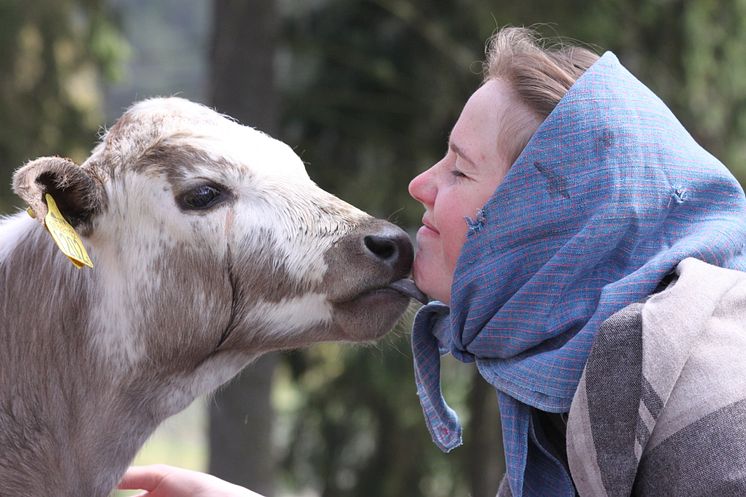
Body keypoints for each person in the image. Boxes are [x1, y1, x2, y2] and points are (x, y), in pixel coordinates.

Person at [119, 26, 746, 497]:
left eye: (459, 169)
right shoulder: (587, 398)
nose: (421, 184)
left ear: (535, 221)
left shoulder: (718, 415)